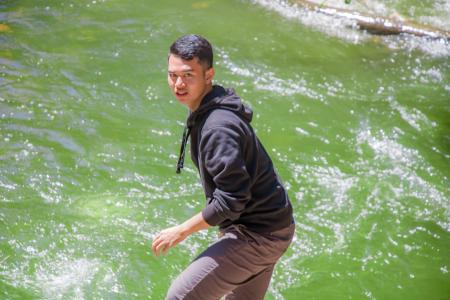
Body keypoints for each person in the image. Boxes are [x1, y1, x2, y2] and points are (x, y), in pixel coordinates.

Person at [152, 34, 295, 300]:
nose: (178, 84)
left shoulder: (217, 127)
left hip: (258, 234)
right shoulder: (209, 108)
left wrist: (181, 230)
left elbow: (232, 200)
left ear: (209, 75)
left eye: (188, 75)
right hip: (274, 226)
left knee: (180, 296)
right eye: (172, 75)